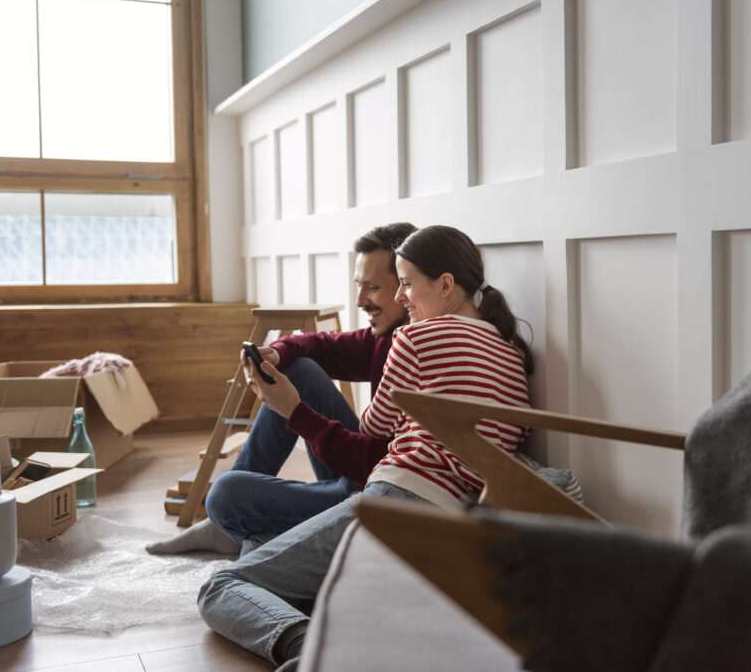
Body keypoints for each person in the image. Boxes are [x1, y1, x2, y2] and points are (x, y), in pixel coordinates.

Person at [197, 225, 534, 667]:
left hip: (397, 501)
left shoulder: (414, 337)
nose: (400, 299)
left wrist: (292, 410)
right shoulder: (511, 352)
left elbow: (375, 429)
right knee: (266, 553)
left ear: (446, 285)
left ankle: (311, 650)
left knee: (221, 588)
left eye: (406, 284)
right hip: (461, 518)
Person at [146, 222, 417, 555]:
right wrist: (278, 351)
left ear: (408, 286)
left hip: (376, 497)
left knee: (225, 494)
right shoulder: (388, 338)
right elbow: (321, 345)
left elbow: (382, 468)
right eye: (359, 286)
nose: (360, 300)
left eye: (372, 288)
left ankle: (249, 528)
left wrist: (295, 413)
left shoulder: (420, 353)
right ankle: (235, 529)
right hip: (363, 473)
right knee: (298, 367)